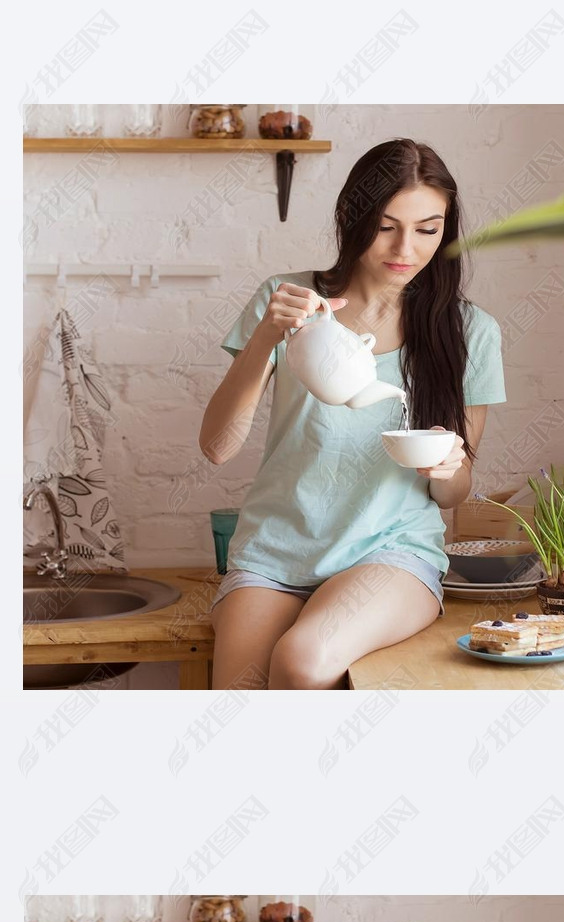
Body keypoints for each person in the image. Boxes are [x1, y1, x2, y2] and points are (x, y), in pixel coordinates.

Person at [201, 139, 506, 689]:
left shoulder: (470, 333)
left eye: (427, 229)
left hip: (390, 553)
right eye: (387, 225)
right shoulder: (287, 302)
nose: (405, 248)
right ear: (353, 217)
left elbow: (455, 493)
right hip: (275, 552)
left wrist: (446, 467)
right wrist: (268, 335)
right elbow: (217, 446)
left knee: (302, 659)